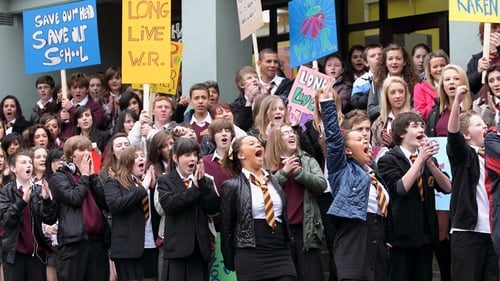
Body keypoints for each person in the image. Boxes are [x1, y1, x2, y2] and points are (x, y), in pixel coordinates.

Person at [319, 85, 390, 281]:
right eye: (359, 139)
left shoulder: (374, 173)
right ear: (348, 151)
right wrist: (327, 104)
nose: (366, 141)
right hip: (354, 238)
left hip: (377, 238)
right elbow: (334, 140)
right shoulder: (341, 170)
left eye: (366, 138)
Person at [378, 112, 451, 281]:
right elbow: (400, 188)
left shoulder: (427, 160)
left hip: (425, 236)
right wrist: (420, 160)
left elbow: (447, 187)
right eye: (415, 126)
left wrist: (430, 163)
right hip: (401, 237)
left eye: (422, 126)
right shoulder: (388, 159)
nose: (421, 129)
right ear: (402, 133)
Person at [220, 135, 297, 281]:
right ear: (241, 154)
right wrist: (231, 259)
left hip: (280, 251)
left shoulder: (274, 180)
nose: (258, 146)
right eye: (252, 143)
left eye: (259, 143)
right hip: (250, 254)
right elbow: (227, 229)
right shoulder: (231, 186)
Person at [447, 83, 499, 281]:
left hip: (493, 232)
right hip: (468, 232)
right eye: (478, 125)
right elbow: (453, 135)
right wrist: (457, 102)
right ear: (466, 135)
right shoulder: (464, 156)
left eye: (484, 124)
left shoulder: (494, 155)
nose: (485, 127)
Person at [264, 123, 327, 281]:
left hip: (306, 230)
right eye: (286, 133)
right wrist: (283, 173)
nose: (292, 135)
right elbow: (262, 190)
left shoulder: (307, 159)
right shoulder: (268, 164)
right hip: (280, 232)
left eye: (293, 132)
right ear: (277, 139)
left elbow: (321, 184)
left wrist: (300, 173)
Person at [156, 138, 219, 281]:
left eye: (195, 155)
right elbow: (169, 205)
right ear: (175, 158)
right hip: (177, 250)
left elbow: (214, 208)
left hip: (200, 250)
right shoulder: (166, 180)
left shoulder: (205, 180)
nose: (192, 159)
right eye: (187, 155)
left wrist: (202, 184)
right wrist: (194, 189)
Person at [49, 135, 109, 281]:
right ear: (70, 155)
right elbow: (74, 198)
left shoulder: (93, 177)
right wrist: (84, 176)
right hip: (73, 244)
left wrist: (92, 176)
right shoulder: (59, 177)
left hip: (97, 243)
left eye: (89, 149)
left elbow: (105, 201)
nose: (87, 153)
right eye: (81, 150)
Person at [0, 150, 57, 281]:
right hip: (14, 254)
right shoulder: (5, 192)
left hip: (36, 254)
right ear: (13, 168)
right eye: (24, 162)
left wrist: (47, 200)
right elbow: (6, 220)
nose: (29, 165)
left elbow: (49, 219)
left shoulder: (38, 190)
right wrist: (22, 202)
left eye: (30, 162)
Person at [105, 146, 159, 281]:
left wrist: (154, 189)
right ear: (127, 162)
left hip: (151, 244)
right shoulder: (114, 183)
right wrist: (142, 188)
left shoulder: (149, 183)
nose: (141, 158)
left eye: (142, 155)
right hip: (128, 250)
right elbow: (116, 205)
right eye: (136, 156)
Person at [367, 43, 420, 122]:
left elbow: (417, 109)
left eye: (398, 58)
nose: (394, 62)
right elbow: (370, 111)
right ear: (385, 62)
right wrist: (388, 105)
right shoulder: (377, 82)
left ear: (404, 62)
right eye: (390, 59)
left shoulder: (415, 82)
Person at [426, 64, 472, 137]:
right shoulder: (435, 112)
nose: (451, 82)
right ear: (443, 85)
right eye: (447, 79)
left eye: (456, 78)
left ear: (464, 83)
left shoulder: (474, 107)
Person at [59, 72, 105, 139]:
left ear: (87, 90)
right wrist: (60, 120)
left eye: (81, 87)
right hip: (65, 143)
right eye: (74, 88)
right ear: (70, 90)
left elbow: (96, 123)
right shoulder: (64, 106)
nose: (78, 91)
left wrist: (71, 109)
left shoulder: (95, 107)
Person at [371, 77, 412, 149]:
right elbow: (375, 150)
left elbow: (418, 146)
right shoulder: (378, 123)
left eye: (401, 91)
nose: (398, 96)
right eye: (393, 92)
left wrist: (394, 144)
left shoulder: (415, 118)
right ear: (386, 96)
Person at [413, 50, 450, 121]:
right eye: (435, 67)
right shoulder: (420, 88)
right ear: (429, 71)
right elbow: (421, 114)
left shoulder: (455, 85)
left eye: (442, 65)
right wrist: (440, 98)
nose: (439, 69)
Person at [466, 23, 500, 96]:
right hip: (483, 103)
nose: (498, 30)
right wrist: (478, 72)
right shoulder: (475, 60)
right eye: (494, 27)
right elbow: (468, 87)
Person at [229, 66, 267, 131]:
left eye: (256, 77)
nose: (254, 80)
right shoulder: (235, 106)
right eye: (249, 78)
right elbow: (241, 126)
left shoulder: (266, 98)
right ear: (241, 85)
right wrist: (249, 102)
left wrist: (265, 98)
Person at [351, 43, 383, 111]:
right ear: (366, 62)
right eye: (372, 56)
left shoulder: (391, 77)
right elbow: (356, 104)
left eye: (380, 54)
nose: (377, 57)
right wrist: (372, 89)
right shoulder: (360, 81)